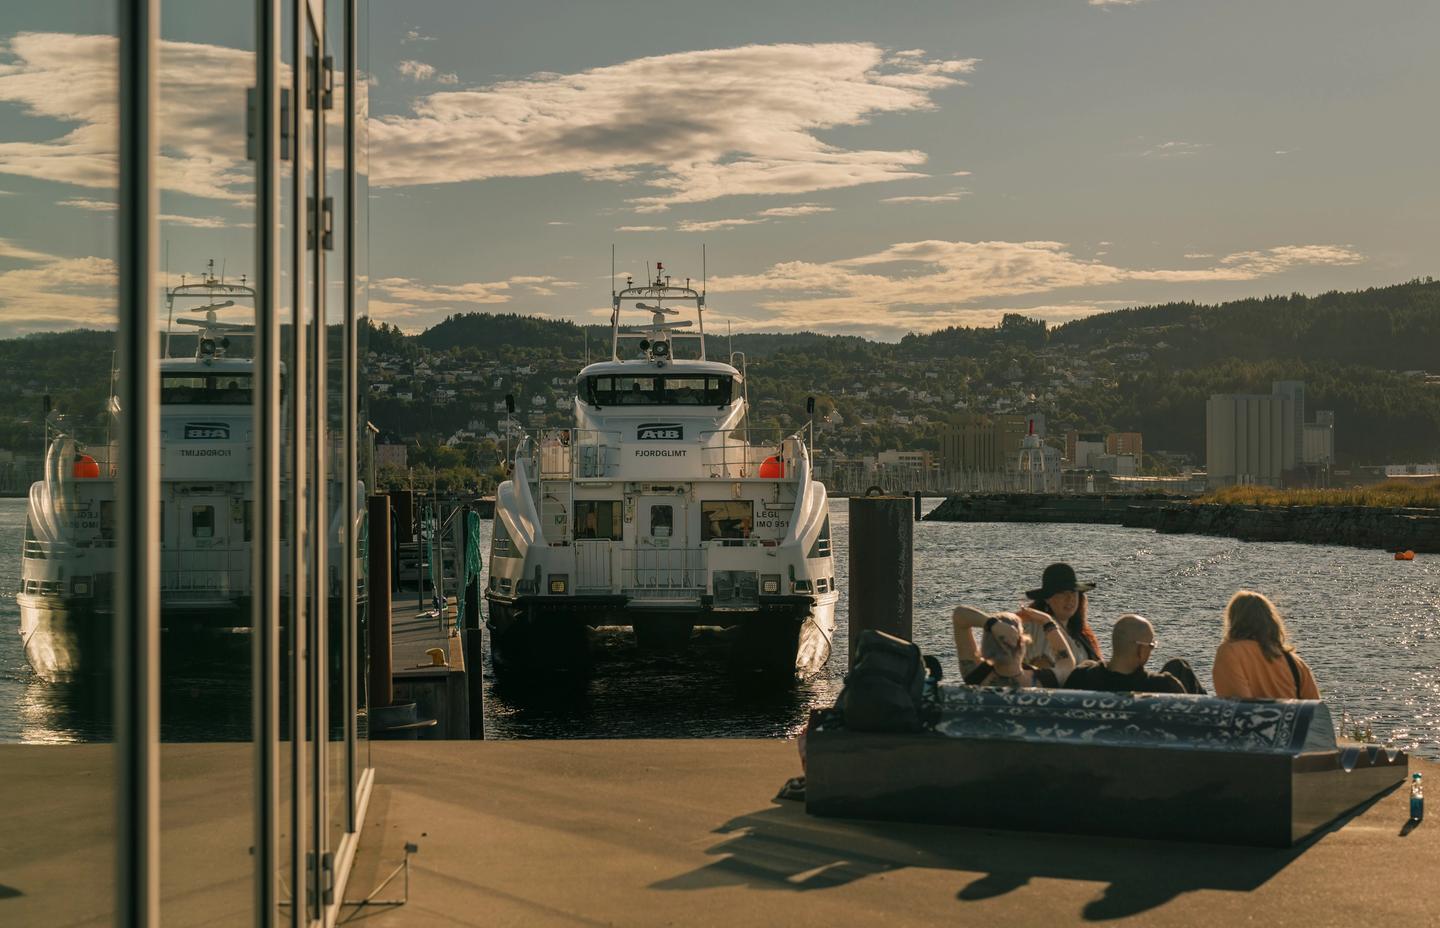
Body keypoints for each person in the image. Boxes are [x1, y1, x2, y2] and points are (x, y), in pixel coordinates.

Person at [1212, 590, 1320, 700]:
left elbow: (1237, 707)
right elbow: (1316, 711)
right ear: (1271, 620)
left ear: (1233, 620)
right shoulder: (1295, 663)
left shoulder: (1230, 653)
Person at [952, 606, 1074, 688]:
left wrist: (993, 624)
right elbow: (1067, 662)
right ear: (1022, 643)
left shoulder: (975, 675)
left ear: (986, 644)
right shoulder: (1043, 681)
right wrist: (1047, 620)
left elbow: (959, 615)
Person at [1064, 614, 1187, 694]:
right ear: (1141, 650)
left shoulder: (1081, 677)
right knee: (1180, 666)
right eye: (1151, 646)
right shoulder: (1163, 687)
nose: (1151, 650)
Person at [1021, 562, 1105, 679]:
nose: (1069, 598)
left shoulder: (1080, 635)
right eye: (1061, 593)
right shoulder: (1039, 628)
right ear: (1047, 598)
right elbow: (1043, 673)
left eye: (1073, 592)